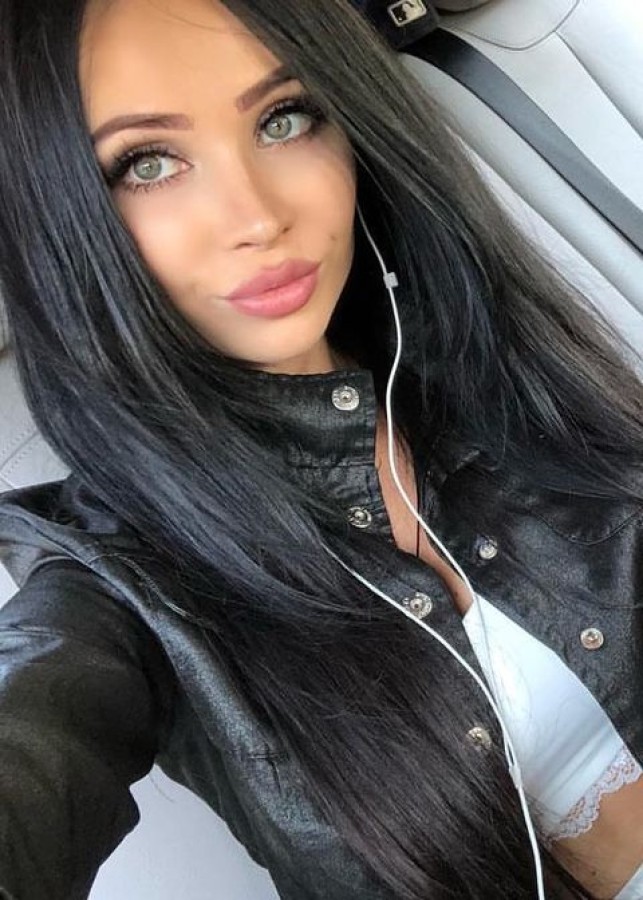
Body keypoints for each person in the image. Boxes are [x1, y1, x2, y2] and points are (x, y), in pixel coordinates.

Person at [0, 0, 641, 898]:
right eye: (147, 163)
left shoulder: (490, 367)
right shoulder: (112, 582)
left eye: (283, 118)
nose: (257, 216)